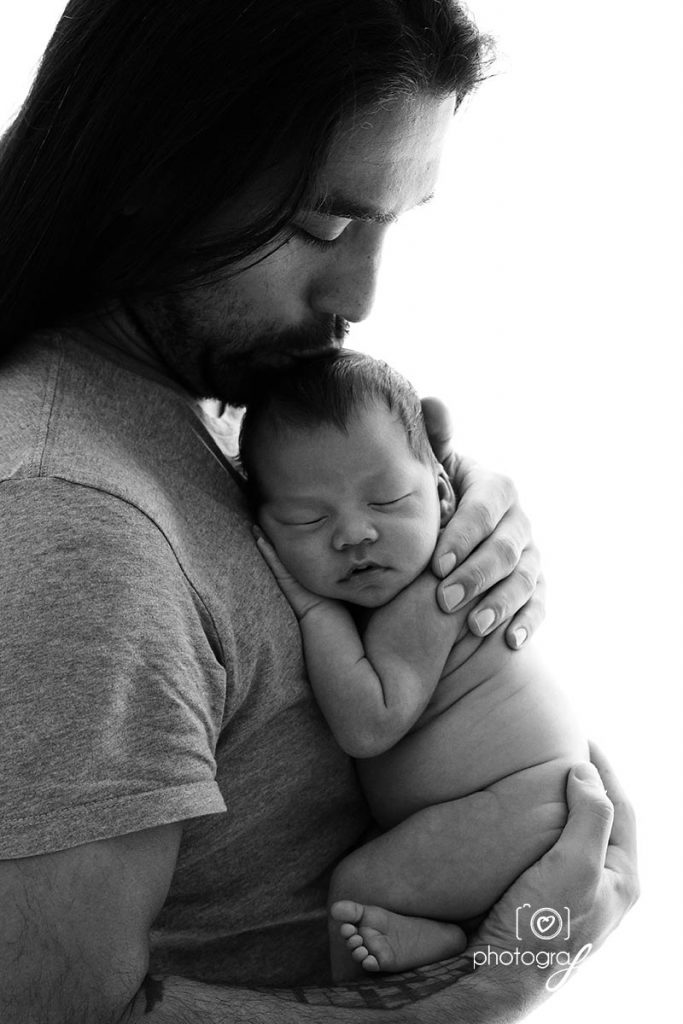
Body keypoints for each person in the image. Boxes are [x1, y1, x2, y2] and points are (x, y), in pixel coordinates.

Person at [0, 2, 637, 1022]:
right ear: (150, 173)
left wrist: (459, 527)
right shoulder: (77, 522)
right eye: (323, 226)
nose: (362, 293)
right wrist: (509, 977)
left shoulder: (207, 409)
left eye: (392, 223)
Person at [241, 349, 589, 981]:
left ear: (443, 492)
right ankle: (442, 941)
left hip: (523, 802)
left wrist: (315, 610)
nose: (352, 534)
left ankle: (439, 953)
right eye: (307, 519)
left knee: (359, 888)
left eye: (389, 501)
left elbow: (369, 724)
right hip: (511, 804)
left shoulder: (430, 594)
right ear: (259, 523)